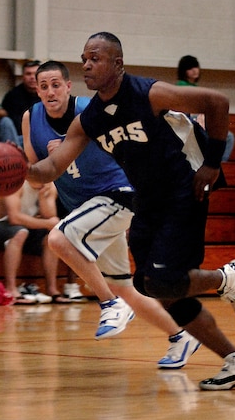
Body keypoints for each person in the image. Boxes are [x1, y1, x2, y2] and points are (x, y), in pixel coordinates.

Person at [26, 33, 235, 390]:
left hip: (184, 190)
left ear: (117, 64)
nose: (88, 64)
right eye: (84, 58)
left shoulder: (148, 93)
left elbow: (216, 101)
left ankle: (227, 279)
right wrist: (19, 170)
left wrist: (212, 165)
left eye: (96, 58)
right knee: (153, 286)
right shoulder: (91, 118)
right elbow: (51, 166)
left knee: (164, 279)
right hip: (146, 200)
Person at [23, 59, 200, 366]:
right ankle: (180, 337)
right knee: (122, 284)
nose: (50, 92)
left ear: (68, 86)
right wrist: (16, 172)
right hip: (87, 209)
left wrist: (67, 148)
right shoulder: (30, 118)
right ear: (36, 91)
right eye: (43, 86)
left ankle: (109, 304)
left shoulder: (89, 111)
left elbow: (121, 145)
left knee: (58, 239)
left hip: (119, 193)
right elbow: (38, 175)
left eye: (56, 85)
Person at [0, 180, 69, 304]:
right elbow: (14, 218)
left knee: (50, 238)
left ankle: (51, 289)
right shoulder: (15, 182)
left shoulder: (49, 185)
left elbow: (50, 217)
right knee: (20, 232)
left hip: (23, 227)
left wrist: (42, 198)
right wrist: (47, 223)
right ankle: (11, 289)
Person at [176, 54, 235, 162]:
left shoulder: (196, 88)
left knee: (229, 136)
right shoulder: (181, 86)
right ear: (184, 71)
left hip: (200, 120)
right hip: (188, 122)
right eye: (190, 68)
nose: (194, 70)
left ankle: (219, 163)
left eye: (196, 67)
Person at [2, 60, 41, 145]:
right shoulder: (12, 96)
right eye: (28, 74)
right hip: (19, 138)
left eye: (35, 74)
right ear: (23, 77)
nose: (32, 77)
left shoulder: (48, 94)